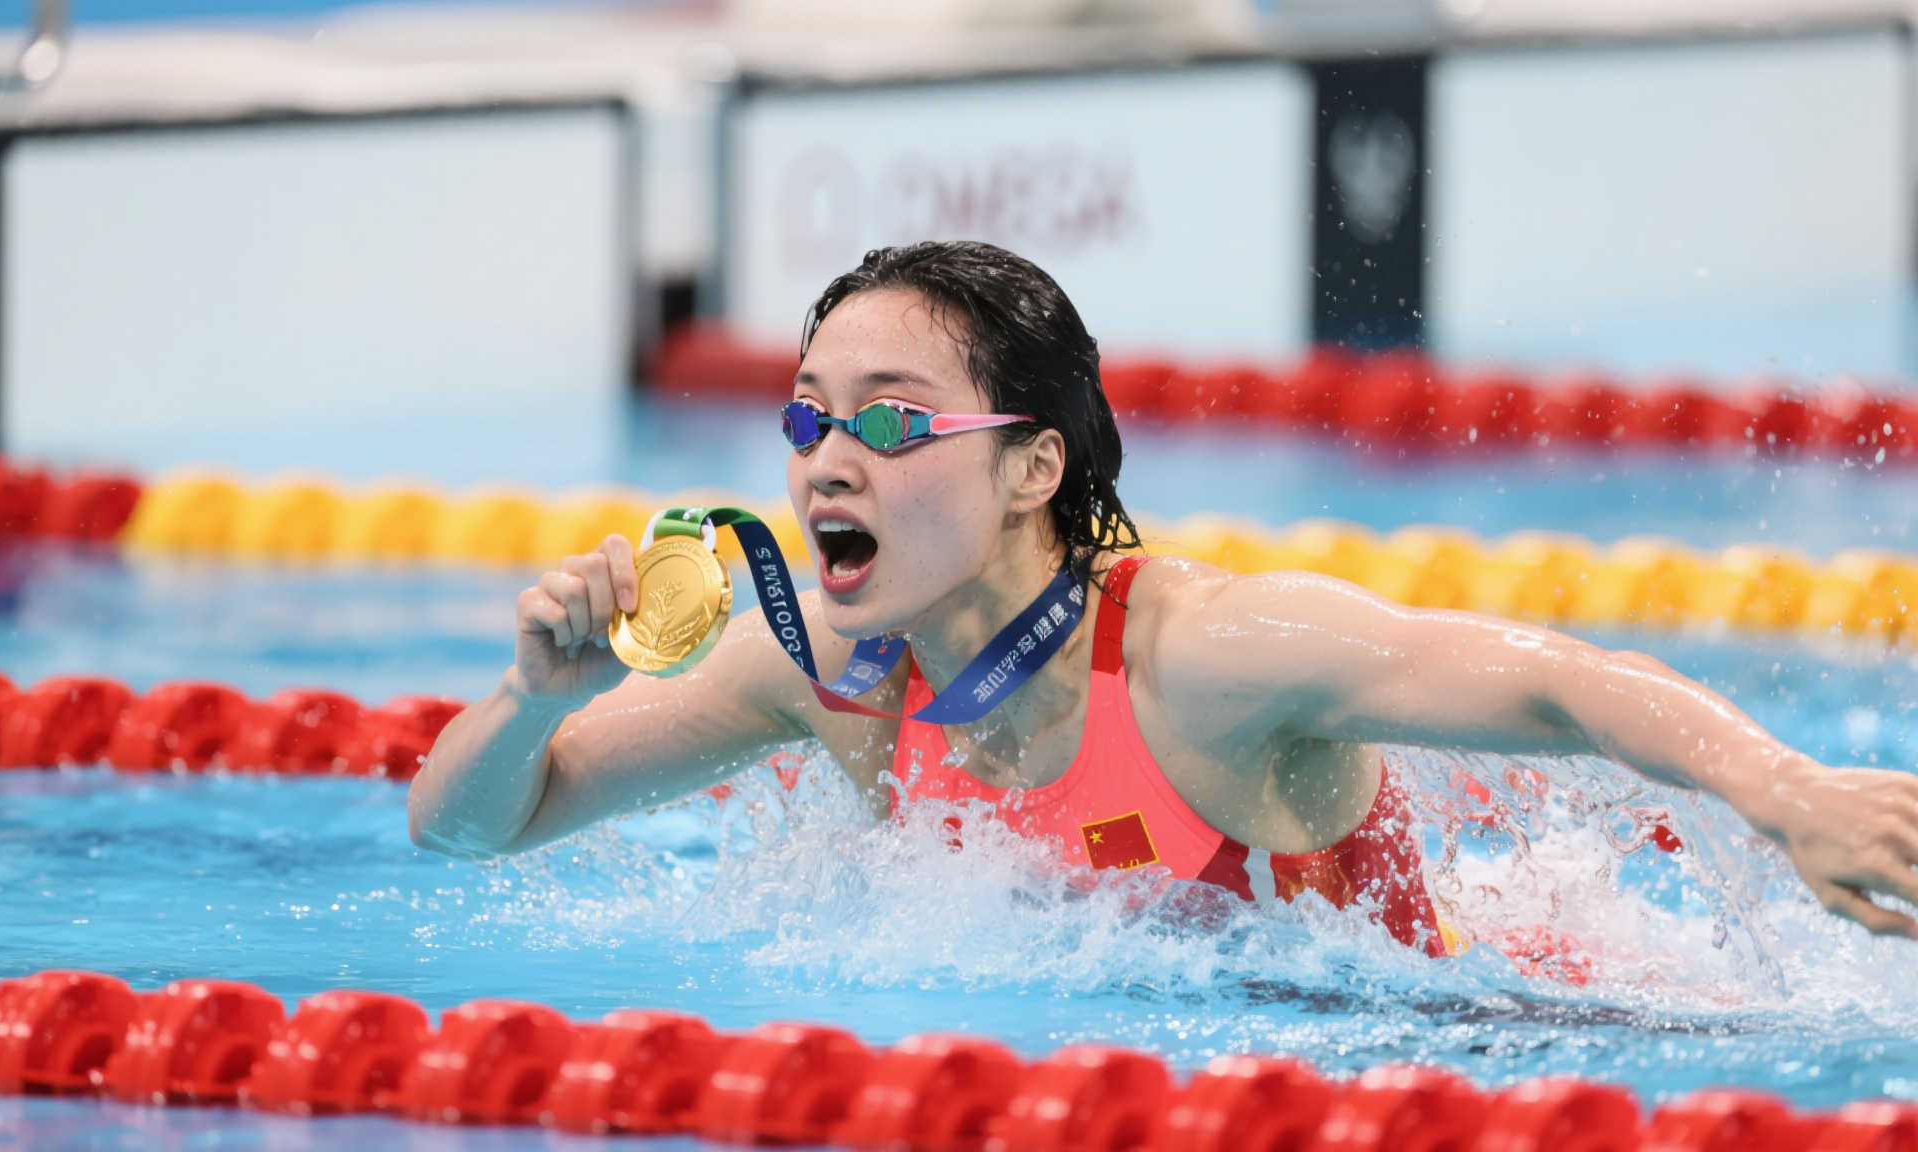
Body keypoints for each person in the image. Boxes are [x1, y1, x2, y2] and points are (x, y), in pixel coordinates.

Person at [409, 241, 1918, 955]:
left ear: (1031, 467)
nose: (826, 460)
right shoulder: (829, 676)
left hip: (1476, 1036)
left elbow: (1553, 679)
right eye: (808, 417)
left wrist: (1788, 795)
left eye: (889, 419)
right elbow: (470, 827)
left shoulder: (1204, 654)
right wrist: (534, 701)